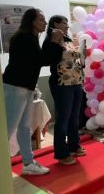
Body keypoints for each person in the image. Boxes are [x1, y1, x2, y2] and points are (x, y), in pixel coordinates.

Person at [3, 8, 63, 175]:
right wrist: (53, 41)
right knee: (8, 128)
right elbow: (41, 60)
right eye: (41, 20)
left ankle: (28, 163)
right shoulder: (24, 37)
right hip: (16, 87)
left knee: (24, 127)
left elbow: (47, 59)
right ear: (32, 21)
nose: (45, 23)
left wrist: (56, 43)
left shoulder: (31, 37)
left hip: (25, 87)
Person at [42, 15, 86, 165]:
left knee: (75, 117)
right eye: (64, 23)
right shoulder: (50, 40)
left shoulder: (68, 39)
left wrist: (82, 52)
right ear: (56, 24)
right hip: (61, 84)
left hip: (76, 82)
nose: (67, 26)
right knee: (63, 119)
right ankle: (62, 153)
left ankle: (74, 145)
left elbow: (75, 60)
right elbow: (48, 60)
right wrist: (55, 42)